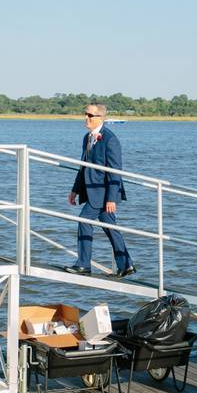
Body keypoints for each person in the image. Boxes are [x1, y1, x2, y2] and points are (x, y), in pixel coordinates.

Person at [65, 103, 134, 277]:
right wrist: (75, 190)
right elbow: (83, 167)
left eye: (90, 115)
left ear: (100, 118)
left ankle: (83, 264)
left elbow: (115, 171)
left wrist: (111, 198)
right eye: (85, 114)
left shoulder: (110, 139)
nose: (86, 118)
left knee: (84, 220)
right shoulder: (87, 138)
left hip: (104, 192)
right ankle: (126, 265)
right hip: (91, 191)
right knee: (110, 226)